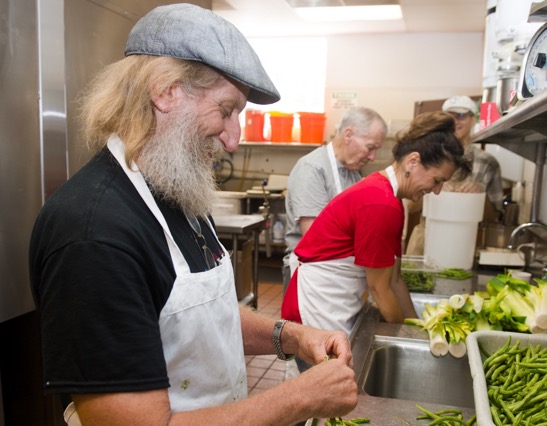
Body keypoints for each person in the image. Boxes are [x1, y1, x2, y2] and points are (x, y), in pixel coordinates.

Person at [28, 4, 357, 425]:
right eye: (226, 109)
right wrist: (298, 398)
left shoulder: (175, 194)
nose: (235, 139)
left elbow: (198, 318)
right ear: (165, 91)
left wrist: (289, 335)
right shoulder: (94, 235)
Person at [281, 111, 467, 370]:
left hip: (338, 297)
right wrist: (405, 337)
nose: (436, 191)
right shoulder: (380, 202)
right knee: (322, 387)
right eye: (437, 181)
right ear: (413, 161)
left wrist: (419, 328)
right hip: (321, 302)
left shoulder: (392, 201)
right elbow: (380, 289)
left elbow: (395, 279)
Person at [282, 106, 387, 292]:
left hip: (337, 274)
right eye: (370, 148)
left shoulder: (352, 172)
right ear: (348, 135)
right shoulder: (312, 169)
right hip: (310, 275)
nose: (373, 157)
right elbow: (316, 237)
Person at [405, 95, 504, 255]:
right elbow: (411, 207)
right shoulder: (426, 156)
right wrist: (433, 188)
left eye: (462, 116)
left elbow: (495, 220)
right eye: (450, 117)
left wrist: (480, 196)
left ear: (473, 120)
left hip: (465, 242)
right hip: (426, 239)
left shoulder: (487, 163)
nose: (456, 122)